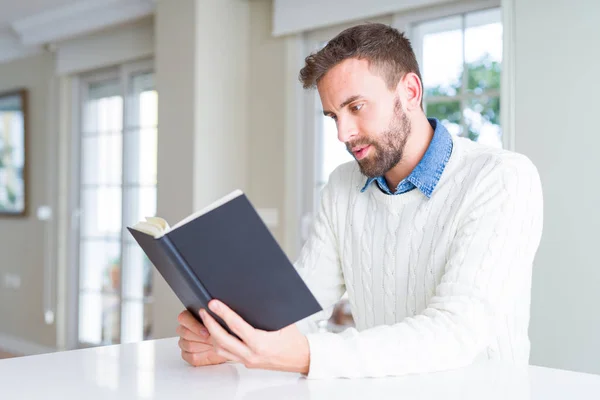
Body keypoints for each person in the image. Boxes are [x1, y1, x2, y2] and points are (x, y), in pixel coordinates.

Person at [175, 23, 543, 379]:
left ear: (410, 92)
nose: (343, 133)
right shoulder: (342, 187)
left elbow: (455, 331)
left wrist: (307, 355)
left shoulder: (501, 178)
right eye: (333, 115)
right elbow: (301, 305)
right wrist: (228, 339)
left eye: (356, 107)